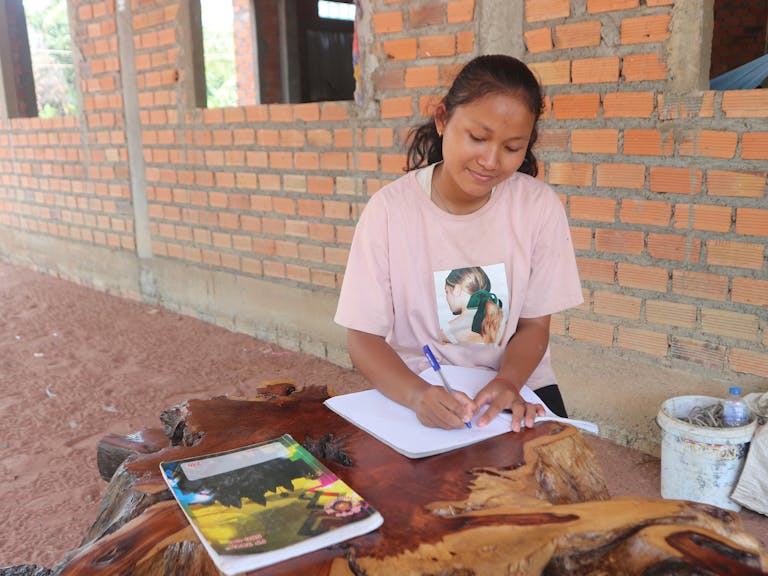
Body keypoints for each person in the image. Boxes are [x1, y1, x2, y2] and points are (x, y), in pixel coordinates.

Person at [334, 54, 583, 432]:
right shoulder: (389, 212)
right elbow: (363, 338)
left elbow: (534, 326)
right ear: (442, 119)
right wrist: (417, 395)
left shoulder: (537, 207)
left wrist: (506, 382)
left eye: (512, 148)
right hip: (421, 388)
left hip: (518, 385)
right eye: (478, 138)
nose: (490, 160)